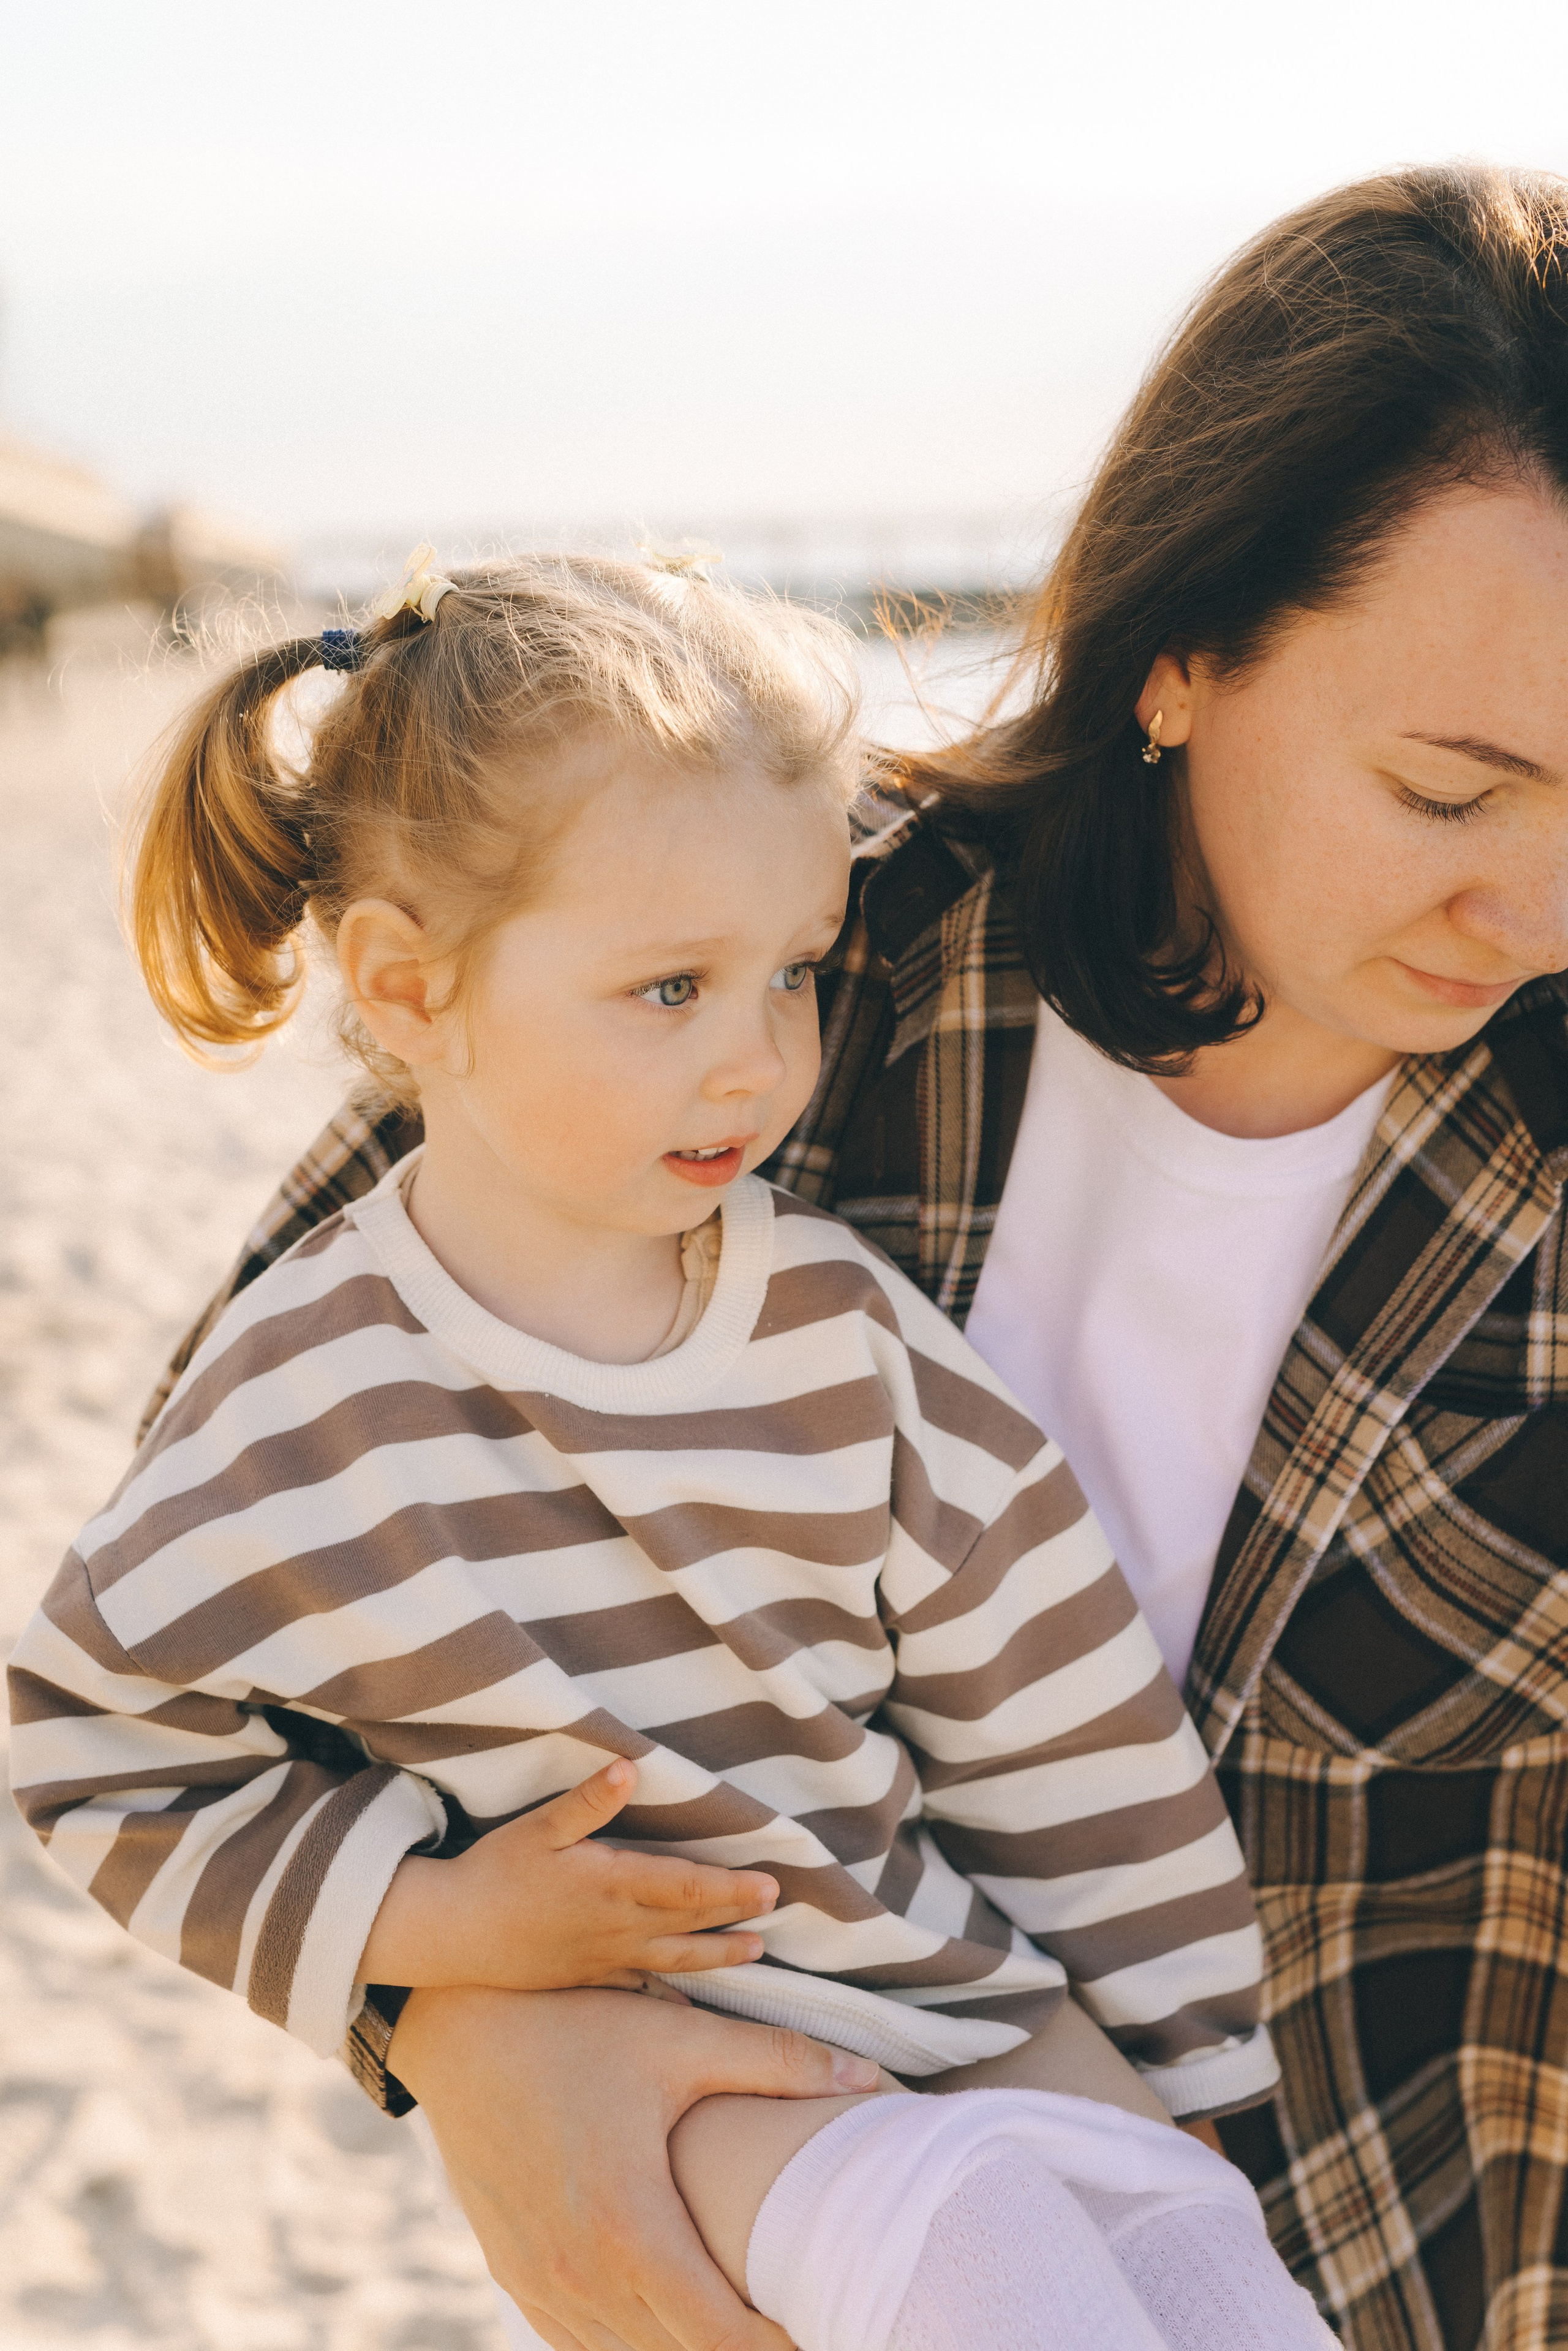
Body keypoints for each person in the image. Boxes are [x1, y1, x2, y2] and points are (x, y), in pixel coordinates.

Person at [123, 162, 1568, 2350]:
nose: (1538, 916)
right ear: (1180, 654)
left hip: (1393, 2272)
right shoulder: (754, 944)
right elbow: (263, 1556)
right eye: (1449, 794)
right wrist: (471, 2026)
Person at [6, 551, 1333, 2351]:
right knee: (990, 2247)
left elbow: (1057, 1705)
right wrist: (435, 1928)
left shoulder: (842, 1334)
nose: (756, 1064)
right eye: (667, 991)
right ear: (407, 990)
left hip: (955, 1994)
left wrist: (1187, 2062)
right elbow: (91, 1748)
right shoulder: (301, 1396)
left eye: (792, 973)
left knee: (1217, 2277)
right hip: (691, 2055)